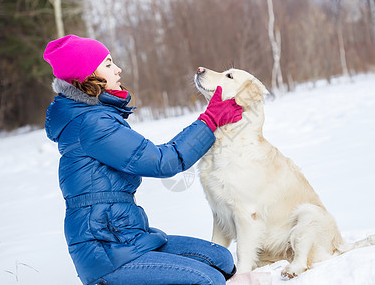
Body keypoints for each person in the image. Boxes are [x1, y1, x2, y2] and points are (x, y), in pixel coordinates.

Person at [43, 35, 243, 285]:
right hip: (107, 257)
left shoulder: (96, 115)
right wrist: (210, 121)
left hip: (129, 240)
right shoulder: (91, 124)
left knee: (219, 258)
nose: (118, 69)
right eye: (107, 64)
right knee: (207, 279)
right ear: (86, 77)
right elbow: (163, 162)